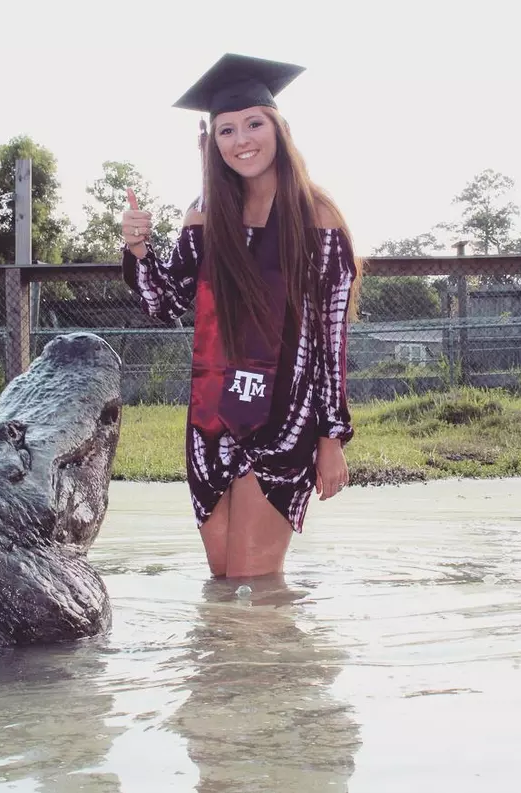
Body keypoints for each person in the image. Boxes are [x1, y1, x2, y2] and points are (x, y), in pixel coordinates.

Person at [121, 53, 361, 580]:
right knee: (224, 585)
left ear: (280, 129)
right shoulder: (206, 215)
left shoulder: (317, 222)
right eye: (226, 129)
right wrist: (138, 249)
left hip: (284, 419)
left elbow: (330, 341)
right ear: (212, 143)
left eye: (255, 123)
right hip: (211, 422)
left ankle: (272, 664)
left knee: (254, 585)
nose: (242, 139)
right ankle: (239, 668)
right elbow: (165, 303)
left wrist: (331, 438)